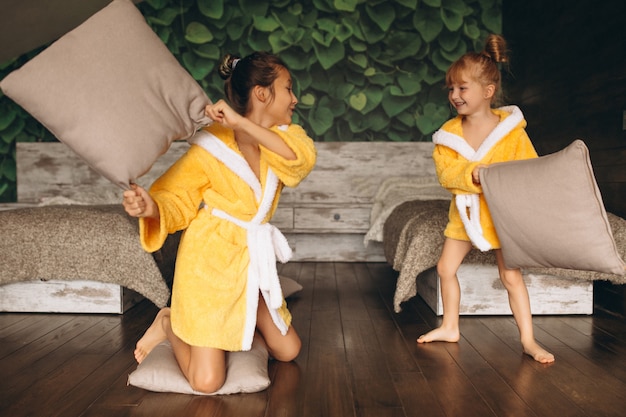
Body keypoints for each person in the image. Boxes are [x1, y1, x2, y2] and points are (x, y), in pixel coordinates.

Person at [122, 51, 317, 393]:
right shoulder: (212, 146)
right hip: (209, 266)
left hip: (250, 264)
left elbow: (298, 161)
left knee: (289, 351)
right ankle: (167, 321)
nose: (294, 98)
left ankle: (244, 312)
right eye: (288, 88)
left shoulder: (287, 137)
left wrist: (240, 122)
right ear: (261, 93)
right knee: (208, 382)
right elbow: (175, 196)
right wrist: (149, 206)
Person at [416, 34, 555, 364]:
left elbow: (530, 169)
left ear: (488, 91)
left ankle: (528, 340)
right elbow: (447, 174)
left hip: (502, 215)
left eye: (462, 88)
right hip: (464, 214)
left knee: (510, 276)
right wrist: (474, 174)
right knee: (445, 268)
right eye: (451, 89)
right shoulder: (448, 135)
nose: (454, 95)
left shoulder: (512, 133)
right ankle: (451, 326)